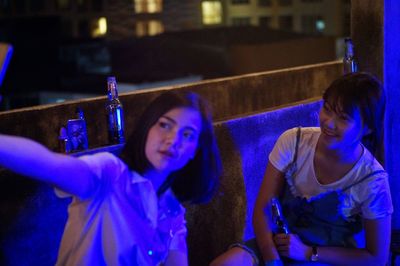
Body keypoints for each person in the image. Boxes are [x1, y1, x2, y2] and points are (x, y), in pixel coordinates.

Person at [0, 90, 222, 265]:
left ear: (195, 150)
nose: (173, 140)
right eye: (165, 125)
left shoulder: (172, 212)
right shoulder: (109, 174)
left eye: (187, 135)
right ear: (148, 127)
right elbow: (47, 163)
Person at [211, 72, 392, 266]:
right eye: (327, 109)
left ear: (367, 128)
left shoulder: (373, 180)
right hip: (277, 247)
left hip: (329, 258)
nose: (329, 122)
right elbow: (263, 208)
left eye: (343, 118)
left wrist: (308, 252)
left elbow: (376, 258)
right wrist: (272, 259)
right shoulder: (294, 141)